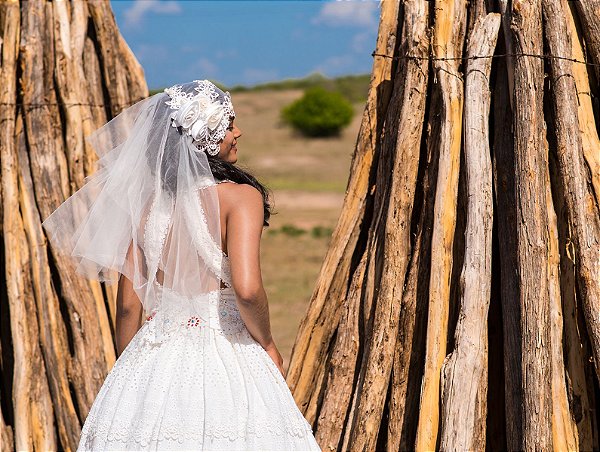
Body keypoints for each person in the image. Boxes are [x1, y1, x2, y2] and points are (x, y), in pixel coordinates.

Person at [42, 80, 321, 451]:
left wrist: (129, 375)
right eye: (229, 124)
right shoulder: (241, 198)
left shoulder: (145, 208)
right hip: (226, 351)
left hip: (154, 354)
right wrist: (268, 343)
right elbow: (247, 288)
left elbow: (128, 306)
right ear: (205, 135)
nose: (239, 132)